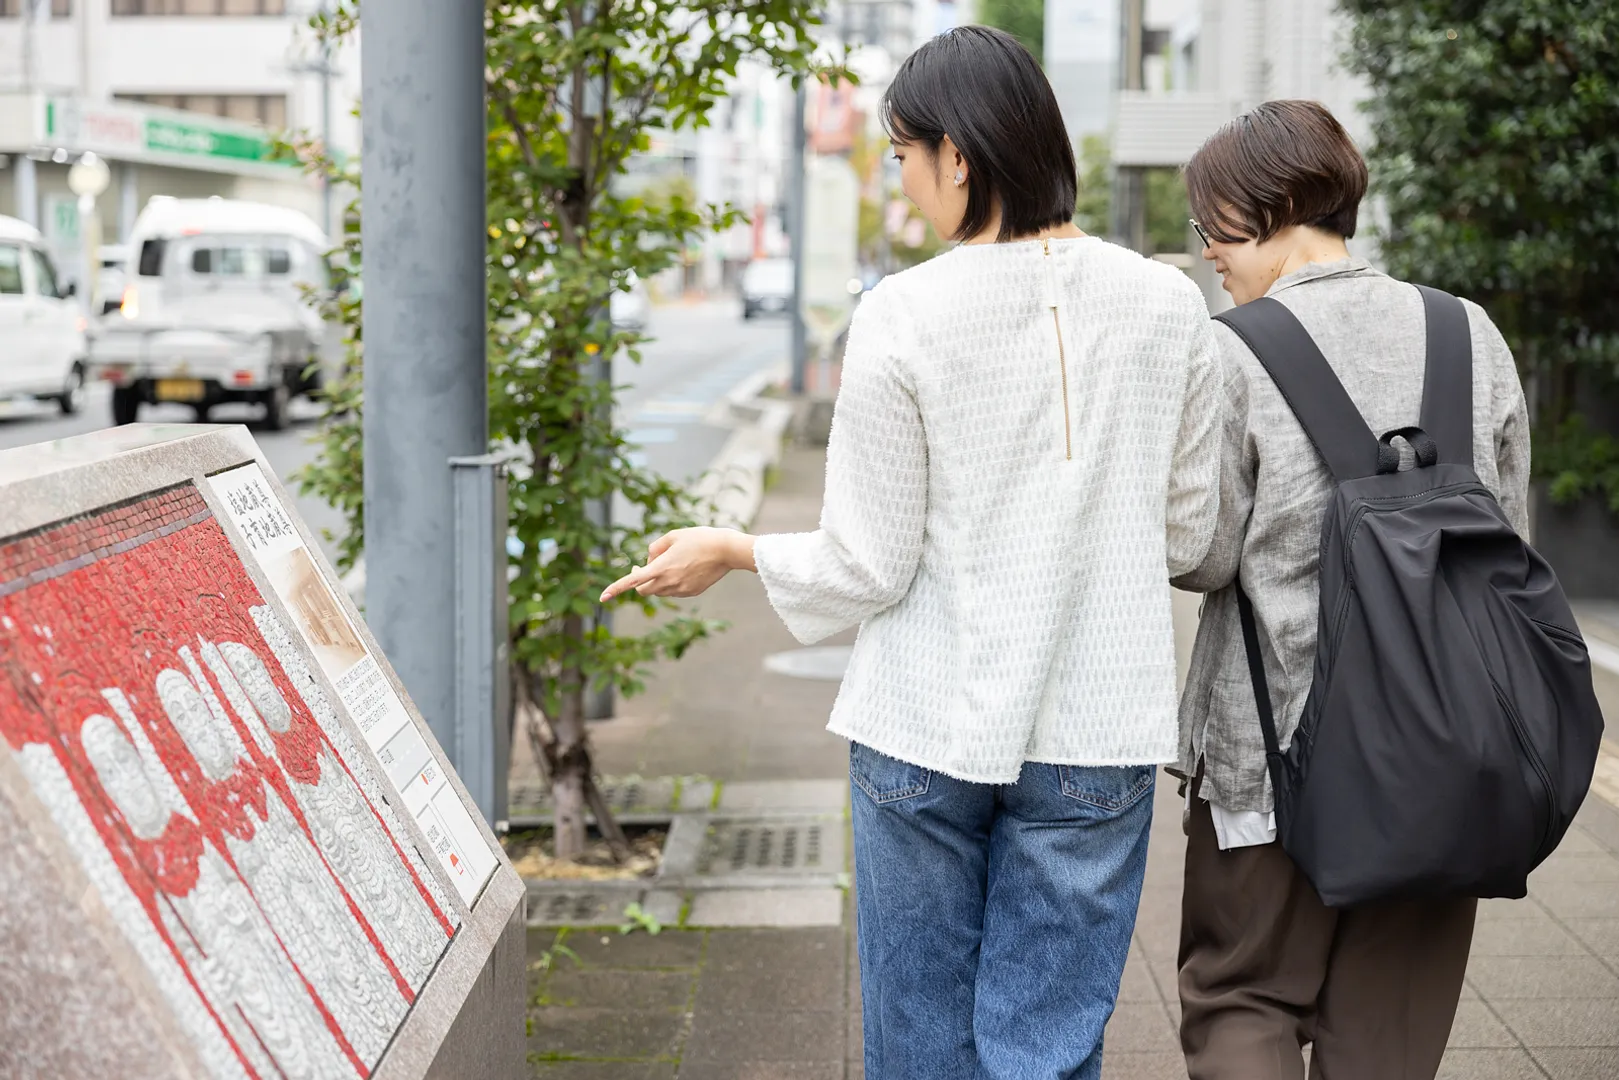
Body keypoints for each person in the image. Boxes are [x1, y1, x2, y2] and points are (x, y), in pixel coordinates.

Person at [603, 25, 1221, 1080]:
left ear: (960, 154)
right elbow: (1188, 535)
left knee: (920, 1048)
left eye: (900, 153)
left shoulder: (899, 314)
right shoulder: (1170, 304)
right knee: (1047, 1048)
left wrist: (735, 548)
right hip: (1097, 721)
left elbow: (865, 565)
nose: (899, 178)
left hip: (925, 721)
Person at [1171, 99, 1531, 1079]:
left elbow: (1199, 555)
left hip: (1271, 760)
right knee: (1385, 1031)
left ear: (1278, 202)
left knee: (1241, 996)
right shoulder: (1471, 335)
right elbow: (1511, 540)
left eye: (1212, 225)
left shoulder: (1231, 349)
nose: (1205, 249)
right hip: (1448, 757)